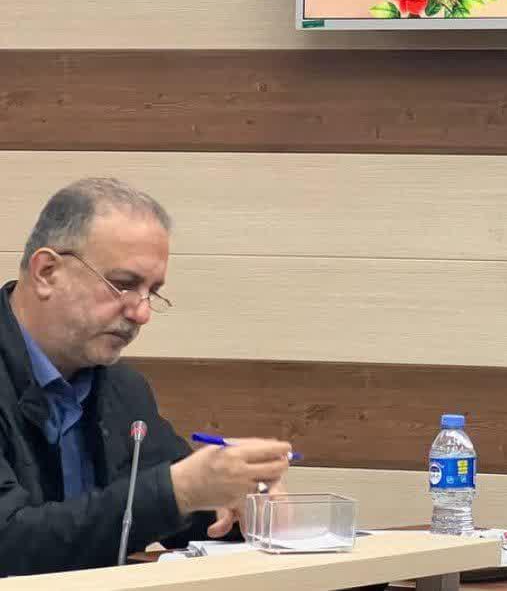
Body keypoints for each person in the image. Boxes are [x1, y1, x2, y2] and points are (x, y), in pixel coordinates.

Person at [0, 178, 294, 576]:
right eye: (123, 285)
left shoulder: (123, 389)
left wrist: (235, 495)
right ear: (47, 272)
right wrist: (178, 491)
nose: (141, 313)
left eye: (151, 292)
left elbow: (180, 516)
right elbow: (10, 542)